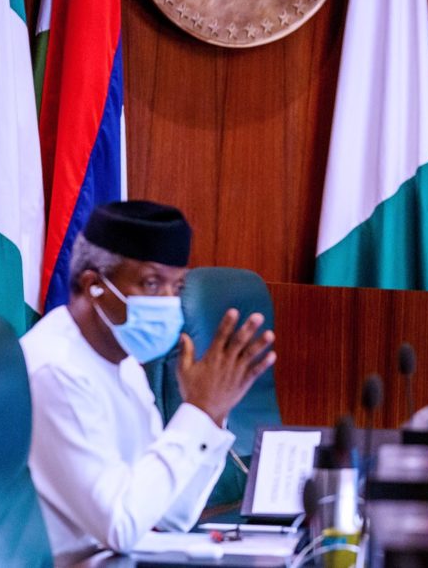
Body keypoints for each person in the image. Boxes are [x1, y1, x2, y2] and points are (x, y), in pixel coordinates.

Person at [21, 200, 277, 558]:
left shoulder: (123, 361)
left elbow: (169, 514)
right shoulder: (55, 371)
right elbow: (121, 526)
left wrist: (213, 416)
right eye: (152, 283)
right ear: (94, 284)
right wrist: (199, 411)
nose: (169, 302)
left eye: (176, 287)